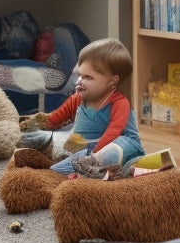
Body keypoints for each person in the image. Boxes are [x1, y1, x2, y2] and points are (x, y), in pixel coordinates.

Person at [17, 37, 145, 178]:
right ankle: (89, 167)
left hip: (113, 146)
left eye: (88, 77)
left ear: (112, 81)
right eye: (80, 75)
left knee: (117, 148)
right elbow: (57, 116)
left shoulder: (120, 103)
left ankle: (122, 169)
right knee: (35, 138)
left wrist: (93, 155)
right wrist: (33, 123)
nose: (80, 81)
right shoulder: (80, 97)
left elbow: (113, 132)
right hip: (83, 145)